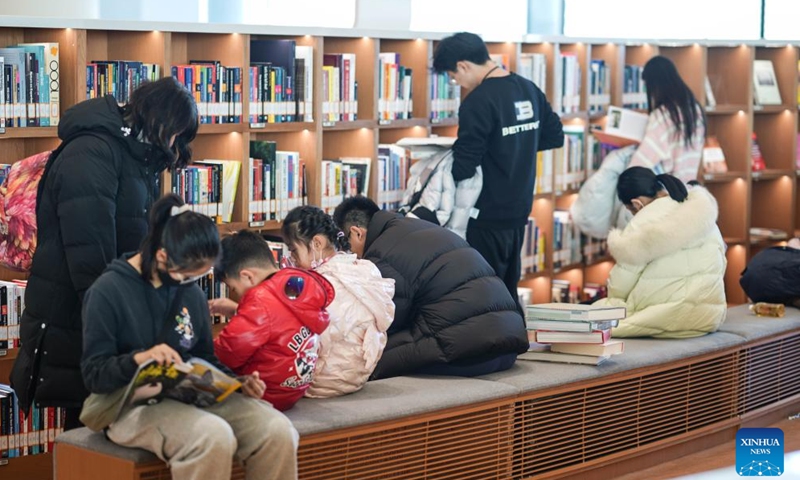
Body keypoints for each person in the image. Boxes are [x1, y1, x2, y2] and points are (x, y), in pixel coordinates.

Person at [11, 77, 199, 429]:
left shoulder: (136, 157)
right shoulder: (93, 153)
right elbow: (89, 256)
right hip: (78, 315)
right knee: (88, 433)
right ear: (158, 119)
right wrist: (120, 325)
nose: (173, 145)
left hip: (106, 312)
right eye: (175, 133)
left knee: (104, 431)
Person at [81, 194, 298, 480]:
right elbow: (94, 375)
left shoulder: (190, 293)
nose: (190, 284)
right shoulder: (107, 292)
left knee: (277, 430)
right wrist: (139, 359)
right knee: (211, 436)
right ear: (162, 256)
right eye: (186, 275)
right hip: (128, 404)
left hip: (191, 392)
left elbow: (203, 356)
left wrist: (236, 382)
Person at [432, 31, 564, 304]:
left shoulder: (478, 102)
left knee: (485, 293)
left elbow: (464, 168)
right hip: (519, 210)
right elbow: (554, 136)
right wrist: (516, 145)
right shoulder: (528, 88)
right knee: (508, 287)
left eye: (454, 77)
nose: (458, 83)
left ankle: (498, 344)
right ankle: (514, 341)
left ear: (463, 65)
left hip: (486, 214)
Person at [333, 196, 528, 379]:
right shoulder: (415, 228)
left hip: (471, 352)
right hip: (507, 342)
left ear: (356, 233)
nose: (352, 257)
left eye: (346, 247)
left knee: (360, 362)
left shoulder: (381, 254)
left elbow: (388, 320)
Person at [594, 167, 727, 338]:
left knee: (592, 315)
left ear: (636, 204)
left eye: (631, 211)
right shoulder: (701, 210)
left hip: (662, 318)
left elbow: (620, 286)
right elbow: (720, 262)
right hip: (708, 317)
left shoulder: (642, 222)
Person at [211, 230, 334, 411]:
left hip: (263, 393)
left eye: (233, 288)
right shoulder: (296, 284)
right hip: (293, 390)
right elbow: (279, 321)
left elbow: (228, 353)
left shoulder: (259, 301)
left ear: (247, 276)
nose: (235, 294)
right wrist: (237, 310)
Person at [281, 205, 395, 397]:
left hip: (318, 382)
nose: (291, 259)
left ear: (316, 243)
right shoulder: (364, 267)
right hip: (359, 376)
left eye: (293, 250)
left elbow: (307, 337)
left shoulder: (316, 284)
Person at [629, 55, 706, 182]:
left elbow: (642, 162)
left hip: (667, 192)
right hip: (688, 188)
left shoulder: (663, 115)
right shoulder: (695, 110)